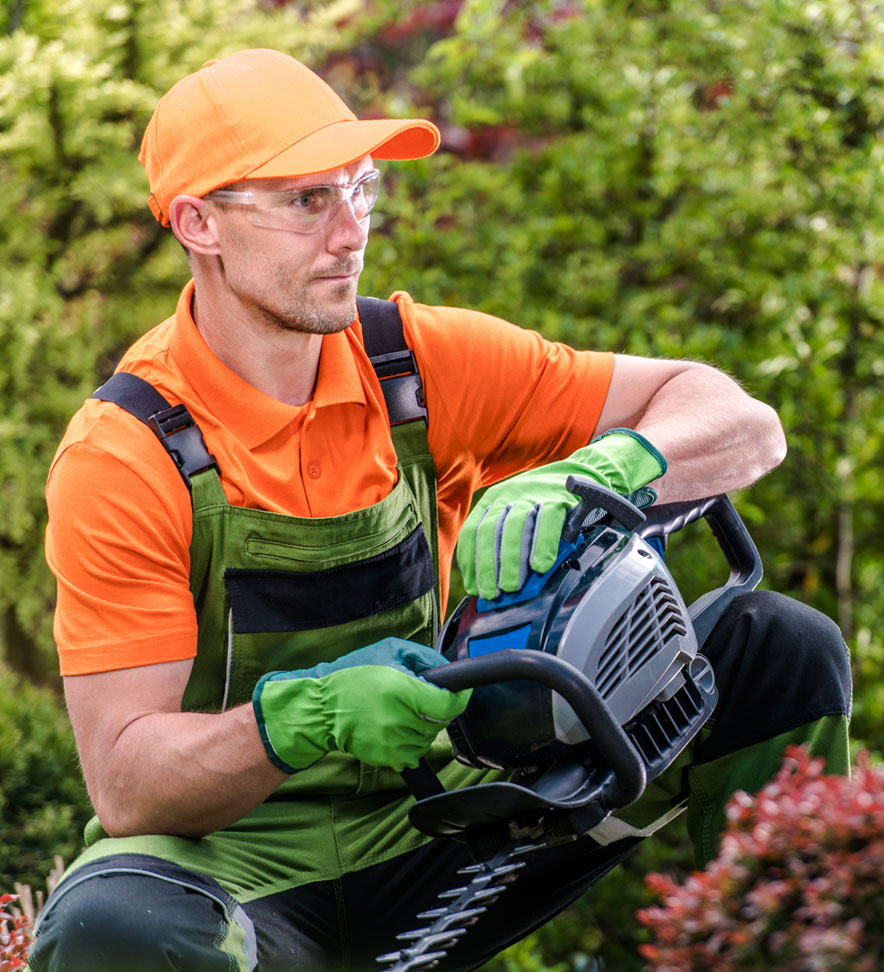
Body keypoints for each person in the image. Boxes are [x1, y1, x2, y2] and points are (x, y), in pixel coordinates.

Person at [30, 48, 851, 972]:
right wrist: (301, 719)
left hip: (456, 828)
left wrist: (617, 468)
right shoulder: (125, 453)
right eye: (309, 201)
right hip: (235, 877)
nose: (352, 233)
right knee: (111, 928)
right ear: (199, 222)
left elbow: (743, 423)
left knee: (775, 649)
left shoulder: (416, 364)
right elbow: (128, 784)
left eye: (361, 190)